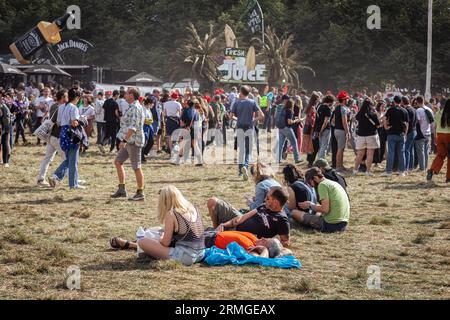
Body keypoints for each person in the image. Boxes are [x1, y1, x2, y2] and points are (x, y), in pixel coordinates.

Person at [111, 185, 205, 266]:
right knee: (159, 230)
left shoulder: (172, 213)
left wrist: (158, 238)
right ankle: (132, 245)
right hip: (201, 253)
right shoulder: (193, 208)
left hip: (186, 257)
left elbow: (165, 243)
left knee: (143, 242)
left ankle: (134, 246)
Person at [208, 186, 290, 247]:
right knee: (213, 201)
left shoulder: (281, 220)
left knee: (207, 238)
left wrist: (268, 244)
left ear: (275, 202)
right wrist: (224, 224)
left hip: (244, 237)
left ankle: (215, 235)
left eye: (268, 198)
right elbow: (243, 217)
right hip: (237, 223)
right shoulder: (264, 206)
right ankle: (216, 229)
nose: (265, 199)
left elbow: (285, 242)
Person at [111, 87, 146, 201]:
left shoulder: (136, 107)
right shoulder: (132, 107)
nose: (124, 95)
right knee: (118, 162)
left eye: (126, 93)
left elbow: (133, 126)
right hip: (128, 141)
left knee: (136, 167)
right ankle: (122, 189)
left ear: (131, 95)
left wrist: (124, 140)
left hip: (133, 141)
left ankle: (140, 192)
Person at [48, 89, 85, 189]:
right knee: (72, 161)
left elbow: (59, 122)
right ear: (77, 98)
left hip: (63, 133)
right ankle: (70, 183)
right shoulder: (74, 108)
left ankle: (67, 180)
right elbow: (74, 123)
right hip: (71, 134)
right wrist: (81, 121)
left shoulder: (61, 107)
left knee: (70, 159)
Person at [295, 167, 350, 233]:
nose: (311, 186)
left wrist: (310, 205)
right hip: (343, 224)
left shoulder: (322, 185)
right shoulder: (333, 183)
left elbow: (325, 210)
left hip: (331, 225)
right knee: (317, 212)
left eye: (310, 183)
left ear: (315, 178)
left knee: (294, 213)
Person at [231, 85, 264, 180]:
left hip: (240, 127)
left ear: (241, 92)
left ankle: (240, 172)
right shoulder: (252, 102)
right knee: (248, 150)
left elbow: (231, 116)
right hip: (249, 127)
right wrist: (254, 119)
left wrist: (238, 119)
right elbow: (262, 115)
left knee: (241, 150)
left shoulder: (236, 103)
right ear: (248, 93)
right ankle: (245, 165)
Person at [37, 90, 67, 186]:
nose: (67, 98)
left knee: (47, 159)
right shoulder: (62, 107)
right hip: (58, 137)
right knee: (67, 160)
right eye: (66, 96)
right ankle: (60, 177)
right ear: (62, 98)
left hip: (51, 136)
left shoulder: (53, 105)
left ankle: (41, 179)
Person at [382, 95, 409, 177]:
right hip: (401, 134)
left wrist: (386, 127)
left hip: (391, 133)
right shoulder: (404, 110)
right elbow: (407, 123)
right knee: (401, 153)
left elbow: (384, 118)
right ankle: (402, 171)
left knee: (391, 153)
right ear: (400, 102)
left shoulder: (390, 110)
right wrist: (406, 133)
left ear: (394, 101)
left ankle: (389, 171)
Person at [353, 98, 381, 176]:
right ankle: (368, 171)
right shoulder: (373, 114)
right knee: (370, 155)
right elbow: (378, 125)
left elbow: (356, 119)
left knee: (359, 154)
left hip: (361, 136)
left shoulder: (359, 114)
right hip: (371, 135)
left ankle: (355, 170)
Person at [427, 99, 450, 183]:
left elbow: (435, 126)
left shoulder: (438, 113)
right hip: (449, 136)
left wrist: (435, 137)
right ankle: (448, 177)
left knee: (440, 155)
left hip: (439, 135)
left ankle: (432, 170)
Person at [275, 98, 302, 164]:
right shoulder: (289, 110)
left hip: (280, 128)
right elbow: (289, 122)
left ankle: (278, 159)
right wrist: (295, 121)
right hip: (287, 128)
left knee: (281, 144)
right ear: (291, 105)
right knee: (294, 142)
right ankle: (297, 159)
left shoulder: (282, 109)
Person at [414, 96, 434, 172]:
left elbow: (418, 121)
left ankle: (422, 168)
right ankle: (425, 167)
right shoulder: (429, 109)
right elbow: (432, 122)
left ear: (417, 102)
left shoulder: (418, 110)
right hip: (428, 132)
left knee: (420, 151)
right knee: (426, 151)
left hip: (421, 133)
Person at [332, 92, 351, 172]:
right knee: (340, 149)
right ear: (343, 99)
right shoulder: (343, 108)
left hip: (336, 130)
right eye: (346, 98)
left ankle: (340, 166)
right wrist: (347, 132)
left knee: (341, 149)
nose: (348, 100)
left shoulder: (337, 107)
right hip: (341, 131)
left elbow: (333, 120)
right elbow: (344, 122)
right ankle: (338, 167)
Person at [313, 95, 335, 160]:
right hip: (325, 129)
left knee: (321, 146)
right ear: (330, 101)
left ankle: (320, 159)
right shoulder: (327, 109)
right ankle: (321, 161)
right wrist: (321, 131)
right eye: (333, 102)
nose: (333, 103)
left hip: (318, 128)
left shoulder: (319, 107)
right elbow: (326, 122)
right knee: (324, 146)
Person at [302, 93, 319, 167]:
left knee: (310, 145)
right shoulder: (313, 108)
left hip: (307, 128)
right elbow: (312, 119)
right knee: (314, 146)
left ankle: (309, 160)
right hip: (312, 129)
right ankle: (311, 162)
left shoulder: (308, 106)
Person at [402, 96, 417, 173]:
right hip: (414, 131)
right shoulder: (413, 109)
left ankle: (406, 168)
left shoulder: (406, 110)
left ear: (402, 102)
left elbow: (406, 122)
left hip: (410, 131)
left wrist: (405, 132)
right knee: (411, 150)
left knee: (407, 150)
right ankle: (411, 167)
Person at [0, 97, 12, 167]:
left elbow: (6, 118)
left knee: (5, 143)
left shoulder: (3, 105)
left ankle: (6, 161)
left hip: (5, 126)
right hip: (4, 125)